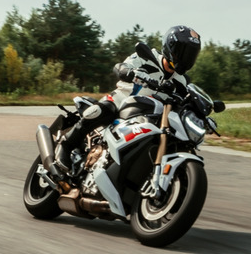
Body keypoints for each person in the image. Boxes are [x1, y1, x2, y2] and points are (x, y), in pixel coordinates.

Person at [54, 25, 202, 172]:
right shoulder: (146, 57)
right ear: (171, 47)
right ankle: (66, 145)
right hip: (122, 103)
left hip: (150, 116)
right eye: (183, 52)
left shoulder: (182, 81)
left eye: (191, 54)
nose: (186, 58)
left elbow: (186, 100)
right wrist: (129, 72)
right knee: (102, 110)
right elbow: (120, 67)